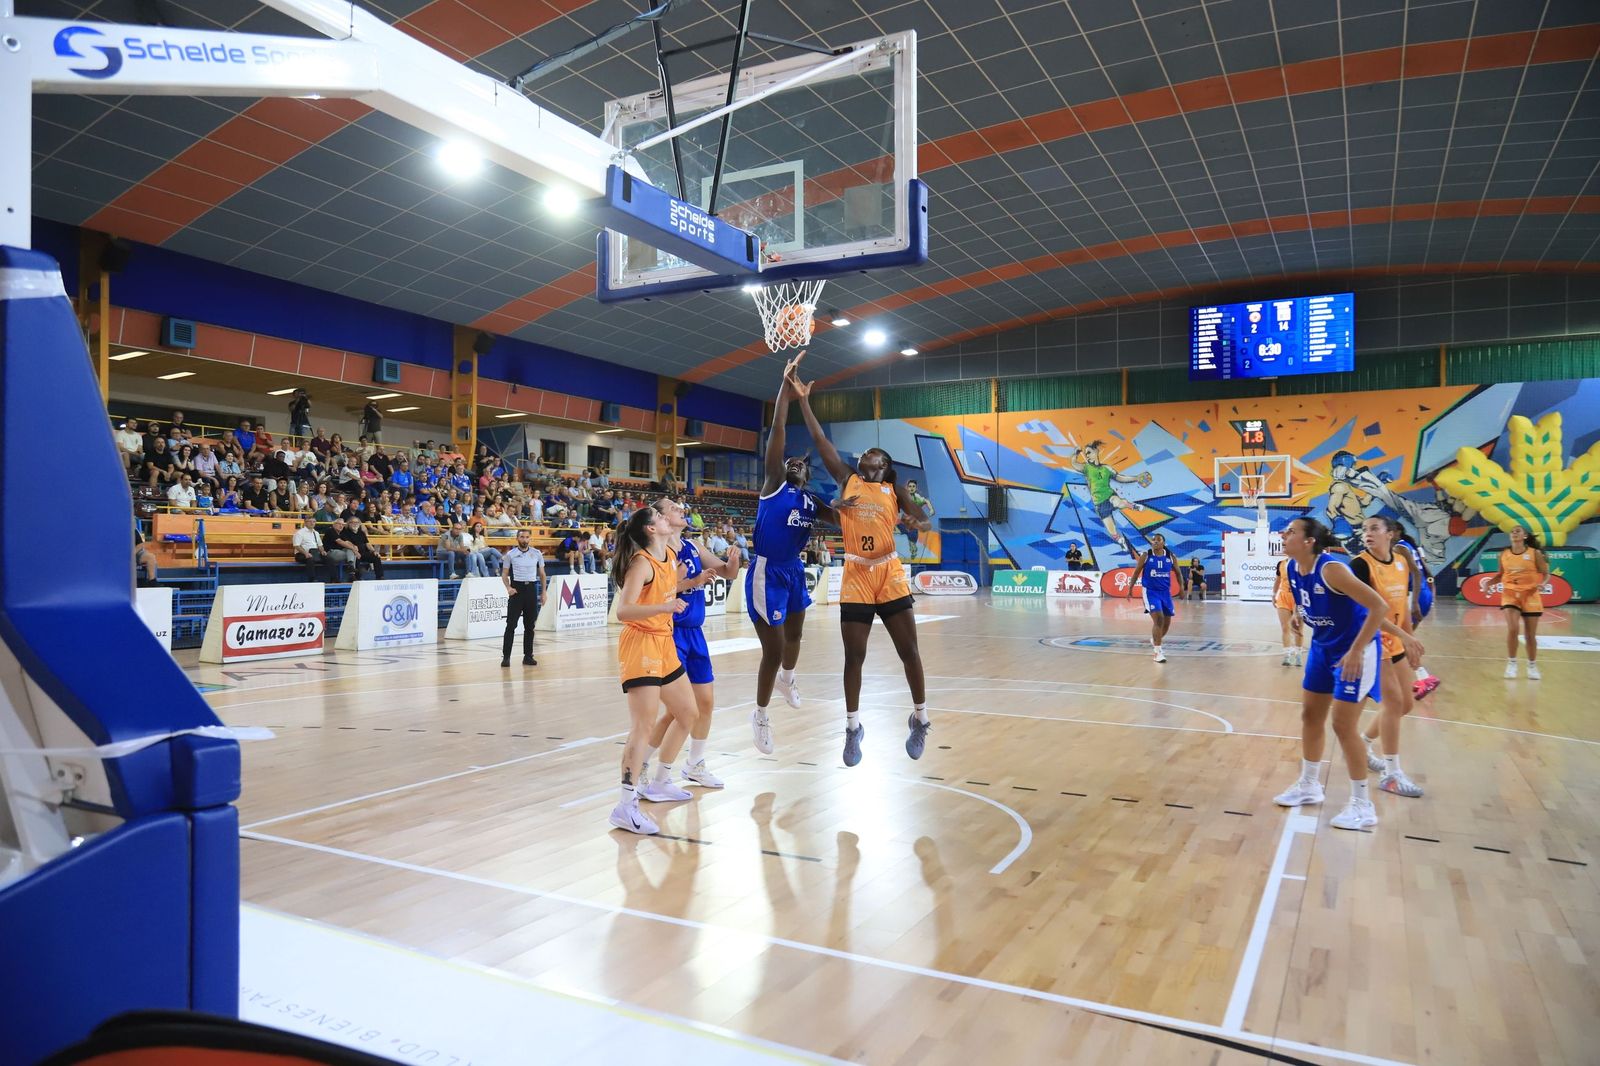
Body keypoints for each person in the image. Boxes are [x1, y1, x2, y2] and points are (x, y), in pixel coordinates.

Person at [789, 359, 933, 766]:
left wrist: (915, 521)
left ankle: (920, 718)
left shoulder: (894, 491)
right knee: (854, 656)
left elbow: (923, 519)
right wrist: (804, 401)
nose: (865, 454)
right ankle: (853, 728)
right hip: (855, 573)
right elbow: (820, 440)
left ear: (883, 465)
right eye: (864, 453)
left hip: (888, 572)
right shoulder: (847, 479)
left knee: (909, 651)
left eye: (873, 453)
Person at [1273, 517, 1423, 831]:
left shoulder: (1332, 570)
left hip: (1357, 651)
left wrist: (1356, 650)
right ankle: (1309, 784)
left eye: (1291, 532)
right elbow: (1308, 598)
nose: (1284, 535)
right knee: (1310, 716)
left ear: (1309, 541)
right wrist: (1300, 614)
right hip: (1322, 648)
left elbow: (1378, 607)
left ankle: (1362, 805)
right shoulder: (1291, 568)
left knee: (1342, 725)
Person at [744, 355, 825, 756]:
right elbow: (777, 428)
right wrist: (785, 385)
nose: (794, 463)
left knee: (795, 637)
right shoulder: (775, 483)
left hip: (793, 570)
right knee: (773, 649)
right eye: (791, 460)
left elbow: (847, 515)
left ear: (807, 475)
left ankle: (787, 680)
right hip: (766, 571)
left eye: (801, 464)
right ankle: (760, 715)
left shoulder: (812, 501)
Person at [638, 498, 743, 791]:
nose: (681, 509)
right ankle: (642, 766)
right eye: (674, 508)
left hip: (695, 633)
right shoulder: (658, 552)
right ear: (660, 518)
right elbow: (658, 592)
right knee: (678, 711)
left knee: (705, 703)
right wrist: (693, 581)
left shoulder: (693, 546)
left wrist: (733, 560)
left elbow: (727, 572)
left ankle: (695, 764)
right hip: (670, 633)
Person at [610, 505, 699, 835]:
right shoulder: (641, 564)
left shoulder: (669, 556)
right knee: (643, 725)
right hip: (641, 644)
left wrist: (693, 579)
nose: (665, 517)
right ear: (651, 529)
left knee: (688, 713)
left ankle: (661, 781)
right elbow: (623, 610)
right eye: (660, 517)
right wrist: (665, 606)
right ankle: (626, 805)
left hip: (664, 642)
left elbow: (668, 582)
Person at [1351, 516, 1425, 798]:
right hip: (1370, 641)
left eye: (1374, 528)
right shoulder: (1360, 565)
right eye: (1364, 529)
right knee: (1393, 703)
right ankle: (1392, 774)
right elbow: (1367, 611)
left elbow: (1400, 608)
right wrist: (1404, 636)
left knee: (1406, 704)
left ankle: (1364, 743)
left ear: (1390, 534)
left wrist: (1409, 640)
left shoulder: (1401, 563)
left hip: (1395, 641)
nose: (1367, 533)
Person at [1066, 440, 1151, 556]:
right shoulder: (1086, 468)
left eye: (1089, 452)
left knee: (1117, 502)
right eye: (1086, 454)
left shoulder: (1106, 468)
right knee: (1113, 532)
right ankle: (1121, 541)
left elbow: (1120, 478)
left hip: (1109, 496)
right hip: (1099, 504)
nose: (1087, 455)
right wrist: (1075, 454)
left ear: (1096, 452)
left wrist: (1136, 478)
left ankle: (1133, 506)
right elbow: (1074, 464)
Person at [1495, 525, 1548, 680]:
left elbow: (1546, 573)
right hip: (1510, 594)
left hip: (1530, 595)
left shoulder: (1534, 553)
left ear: (1525, 536)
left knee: (1530, 635)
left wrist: (1543, 583)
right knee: (1513, 629)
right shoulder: (1503, 554)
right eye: (1512, 531)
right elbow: (1500, 574)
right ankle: (1512, 663)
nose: (1514, 533)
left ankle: (1532, 665)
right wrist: (1488, 583)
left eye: (1518, 531)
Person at [1394, 532, 1440, 698]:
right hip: (1421, 595)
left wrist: (1414, 602)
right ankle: (1422, 677)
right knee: (1402, 640)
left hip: (1413, 596)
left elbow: (1416, 573)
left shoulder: (1399, 547)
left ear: (1392, 533)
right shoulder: (1410, 547)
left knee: (1401, 640)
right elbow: (1428, 573)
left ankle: (1424, 677)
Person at [1130, 532, 1183, 662]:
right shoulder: (1146, 555)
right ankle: (1157, 652)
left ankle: (1155, 640)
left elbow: (1178, 573)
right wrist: (1130, 587)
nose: (1155, 542)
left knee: (1166, 624)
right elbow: (1136, 572)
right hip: (1150, 592)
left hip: (1165, 593)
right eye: (1153, 540)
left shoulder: (1170, 556)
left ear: (1164, 543)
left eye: (1158, 540)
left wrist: (1182, 588)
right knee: (1159, 619)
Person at [500, 527, 545, 667]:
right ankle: (506, 657)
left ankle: (528, 656)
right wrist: (509, 588)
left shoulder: (537, 553)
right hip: (517, 590)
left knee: (530, 626)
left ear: (530, 538)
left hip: (531, 589)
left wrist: (544, 592)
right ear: (517, 538)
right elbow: (504, 574)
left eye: (527, 537)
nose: (524, 540)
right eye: (522, 537)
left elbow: (542, 574)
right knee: (511, 625)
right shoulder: (510, 555)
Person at [1272, 557, 1303, 667]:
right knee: (1285, 627)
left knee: (1298, 629)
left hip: (1298, 597)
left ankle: (1298, 655)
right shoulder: (1281, 564)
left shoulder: (1302, 563)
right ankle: (1287, 655)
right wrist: (1273, 595)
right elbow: (1278, 580)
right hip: (1283, 597)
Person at [292, 514, 329, 582]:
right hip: (301, 554)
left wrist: (322, 551)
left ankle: (334, 578)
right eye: (310, 521)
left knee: (328, 558)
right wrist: (305, 553)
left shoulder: (316, 533)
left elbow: (320, 545)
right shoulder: (300, 533)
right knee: (310, 559)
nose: (312, 523)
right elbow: (296, 546)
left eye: (314, 521)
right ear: (305, 523)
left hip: (314, 553)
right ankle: (312, 579)